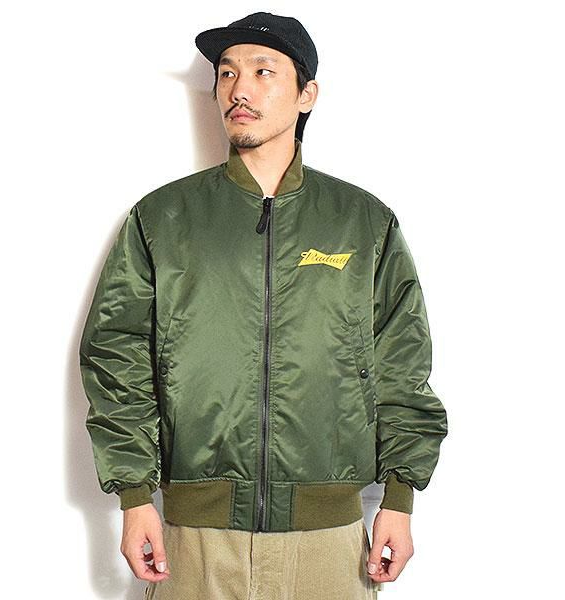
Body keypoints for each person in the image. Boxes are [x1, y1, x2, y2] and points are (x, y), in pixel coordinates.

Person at [78, 11, 448, 600]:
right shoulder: (164, 219)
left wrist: (400, 500)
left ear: (307, 95)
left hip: (329, 538)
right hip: (194, 537)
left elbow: (401, 364)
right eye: (226, 74)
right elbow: (117, 358)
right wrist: (134, 495)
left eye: (262, 71)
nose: (239, 90)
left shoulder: (363, 222)